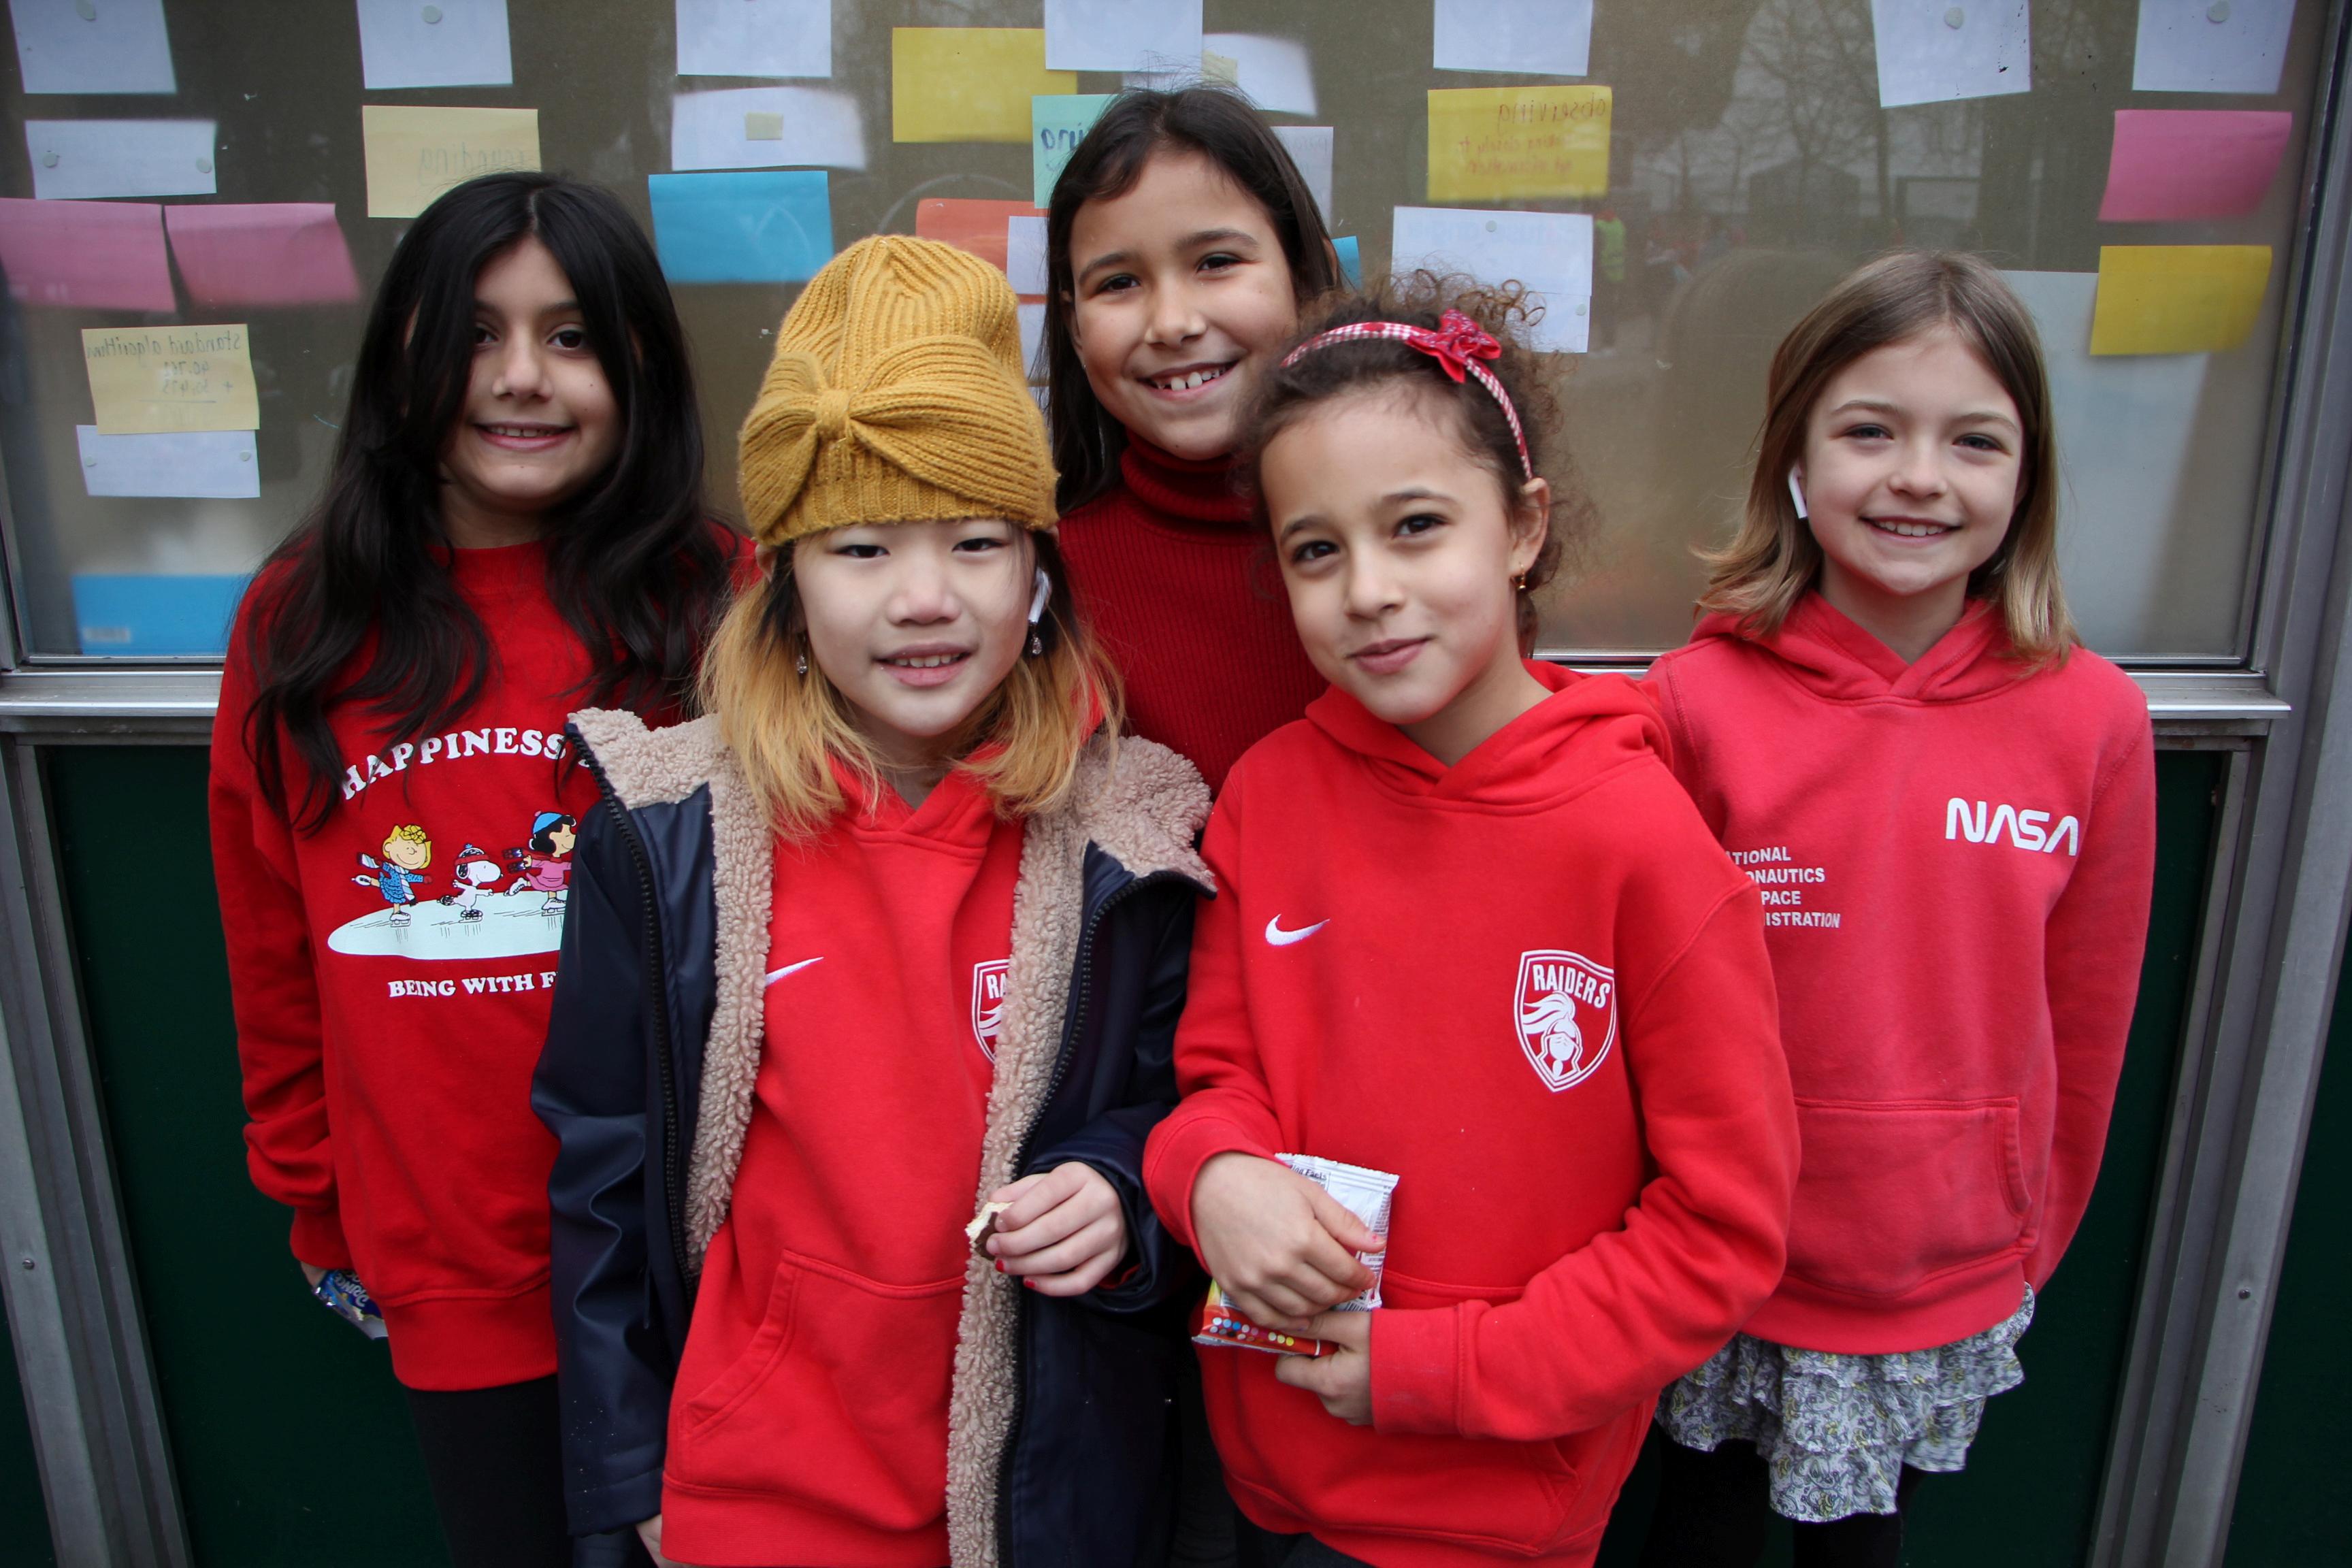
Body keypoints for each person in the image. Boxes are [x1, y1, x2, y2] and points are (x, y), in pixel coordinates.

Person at [532, 235, 1213, 1568]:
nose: (924, 598)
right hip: (758, 1490)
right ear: (785, 578)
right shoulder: (669, 836)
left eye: (976, 542)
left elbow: (1183, 1100)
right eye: (861, 547)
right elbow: (600, 1180)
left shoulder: (1130, 843)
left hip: (1030, 1502)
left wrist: (1123, 1191)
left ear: (1037, 574)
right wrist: (631, 1470)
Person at [1141, 280, 1801, 1568]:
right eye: (1316, 550)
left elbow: (1720, 1228)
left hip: (1500, 1506)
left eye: (1417, 526)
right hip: (1267, 1472)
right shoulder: (1268, 797)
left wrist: (1444, 1367)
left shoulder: (1641, 840)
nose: (1369, 589)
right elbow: (1217, 1077)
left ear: (1522, 527)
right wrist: (1209, 1177)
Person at [208, 172, 744, 1568]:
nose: (520, 377)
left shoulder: (722, 596)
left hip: (704, 1245)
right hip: (453, 1253)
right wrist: (314, 1194)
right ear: (402, 360)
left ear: (641, 363)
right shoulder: (302, 616)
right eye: (476, 334)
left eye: (571, 336)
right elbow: (269, 933)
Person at [1638, 250, 2157, 1567]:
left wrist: (2025, 1235)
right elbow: (1643, 1011)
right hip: (1717, 1264)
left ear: (2027, 477)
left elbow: (2088, 1016)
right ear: (1795, 459)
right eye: (1870, 430)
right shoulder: (1690, 705)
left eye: (1973, 440)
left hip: (1939, 1275)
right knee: (1690, 1541)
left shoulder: (2094, 719)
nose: (1919, 475)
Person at [1044, 86, 1342, 791]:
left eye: (1216, 262)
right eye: (1119, 282)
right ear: (1076, 327)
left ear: (1304, 275)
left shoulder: (1408, 544)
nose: (1172, 323)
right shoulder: (1039, 586)